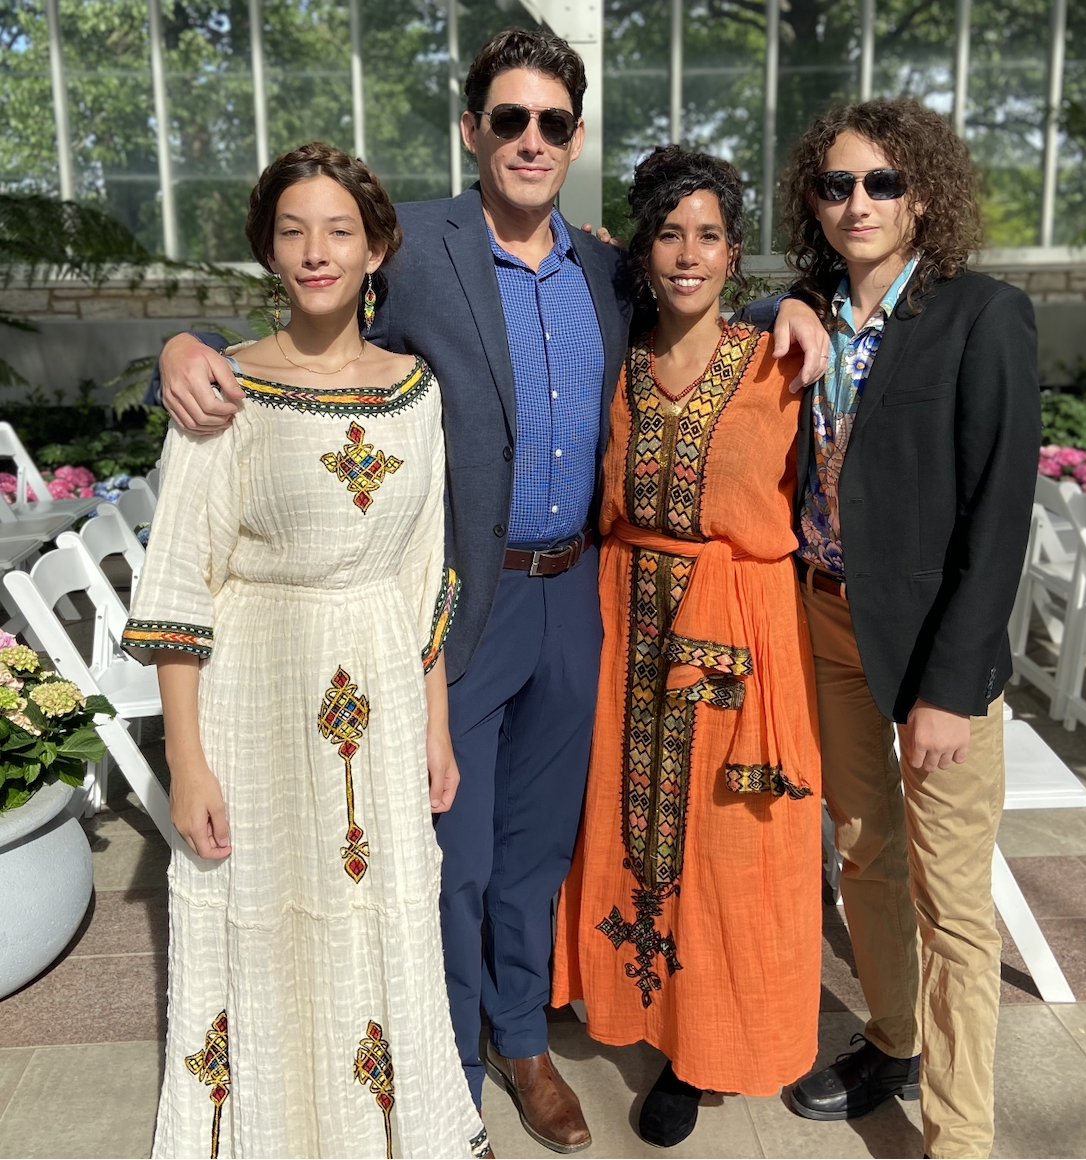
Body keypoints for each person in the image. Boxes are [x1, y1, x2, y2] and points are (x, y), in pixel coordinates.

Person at [153, 28, 830, 1153]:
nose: (528, 139)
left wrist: (783, 307)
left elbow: (692, 295)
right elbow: (303, 312)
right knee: (451, 853)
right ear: (471, 130)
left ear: (572, 138)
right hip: (458, 600)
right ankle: (446, 1052)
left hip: (580, 595)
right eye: (506, 119)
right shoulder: (409, 241)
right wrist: (186, 339)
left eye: (551, 123)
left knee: (536, 847)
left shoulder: (605, 263)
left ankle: (522, 1038)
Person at [122, 143, 490, 1158]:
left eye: (338, 230)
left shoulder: (416, 391)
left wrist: (437, 726)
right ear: (268, 252)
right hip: (257, 691)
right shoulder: (223, 390)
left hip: (379, 680)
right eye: (292, 231)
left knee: (379, 907)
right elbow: (179, 586)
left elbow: (425, 573)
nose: (315, 251)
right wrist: (185, 756)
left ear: (376, 248)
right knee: (268, 911)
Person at [740, 99, 1040, 1159]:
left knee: (951, 901)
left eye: (879, 182)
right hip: (823, 620)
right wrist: (785, 297)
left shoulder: (981, 314)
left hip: (930, 649)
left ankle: (960, 1135)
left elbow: (997, 516)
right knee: (862, 855)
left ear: (922, 191)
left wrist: (950, 686)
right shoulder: (811, 307)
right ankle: (892, 1037)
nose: (855, 202)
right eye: (833, 185)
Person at [552, 146, 823, 1149]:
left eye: (707, 234)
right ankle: (631, 1005)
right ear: (643, 247)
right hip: (626, 611)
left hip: (737, 628)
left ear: (733, 250)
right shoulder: (616, 361)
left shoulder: (779, 359)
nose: (686, 252)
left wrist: (805, 301)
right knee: (627, 822)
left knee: (725, 841)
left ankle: (701, 1048)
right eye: (668, 232)